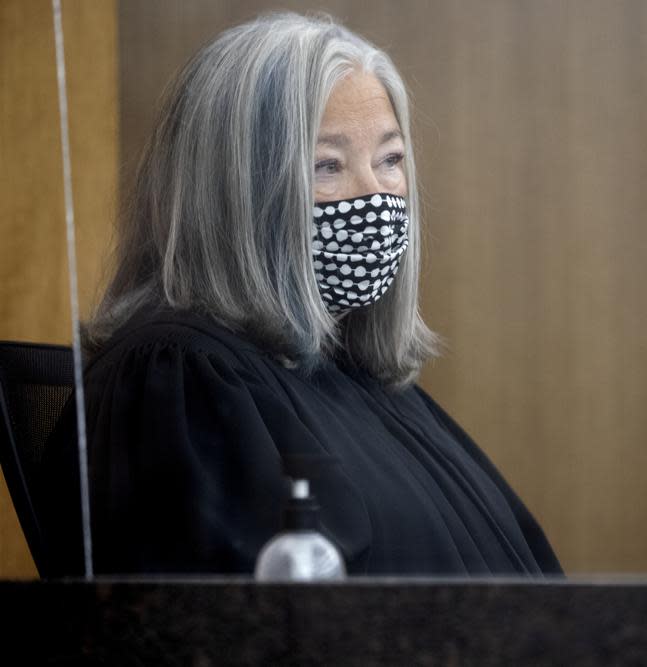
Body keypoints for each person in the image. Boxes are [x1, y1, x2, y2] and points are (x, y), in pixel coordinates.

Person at [39, 13, 561, 577]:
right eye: (327, 165)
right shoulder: (182, 381)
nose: (376, 195)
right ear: (235, 194)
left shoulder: (358, 374)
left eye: (390, 159)